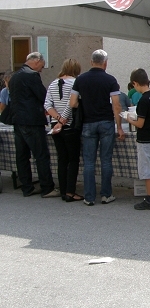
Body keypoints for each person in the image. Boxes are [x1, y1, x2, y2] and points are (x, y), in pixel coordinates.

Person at [70, 49, 125, 206]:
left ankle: (89, 196)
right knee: (106, 160)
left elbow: (72, 103)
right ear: (105, 63)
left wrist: (85, 103)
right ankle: (106, 194)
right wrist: (119, 127)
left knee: (89, 161)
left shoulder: (80, 80)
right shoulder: (110, 80)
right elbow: (116, 105)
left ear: (91, 62)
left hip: (88, 122)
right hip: (106, 122)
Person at [9, 52, 59, 197]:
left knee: (22, 155)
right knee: (41, 155)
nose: (41, 70)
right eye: (42, 66)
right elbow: (43, 96)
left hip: (17, 120)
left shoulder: (15, 76)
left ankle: (27, 187)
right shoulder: (31, 76)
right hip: (32, 121)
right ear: (36, 61)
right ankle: (47, 187)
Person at [126, 68, 150, 210]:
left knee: (146, 168)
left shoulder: (143, 100)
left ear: (135, 83)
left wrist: (129, 119)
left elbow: (140, 123)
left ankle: (149, 199)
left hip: (144, 138)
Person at [44, 59, 83, 202]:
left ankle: (62, 189)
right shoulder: (75, 83)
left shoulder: (53, 83)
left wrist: (57, 119)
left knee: (62, 159)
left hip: (55, 125)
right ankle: (70, 191)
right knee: (73, 160)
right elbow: (71, 103)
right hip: (70, 125)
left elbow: (47, 104)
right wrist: (63, 119)